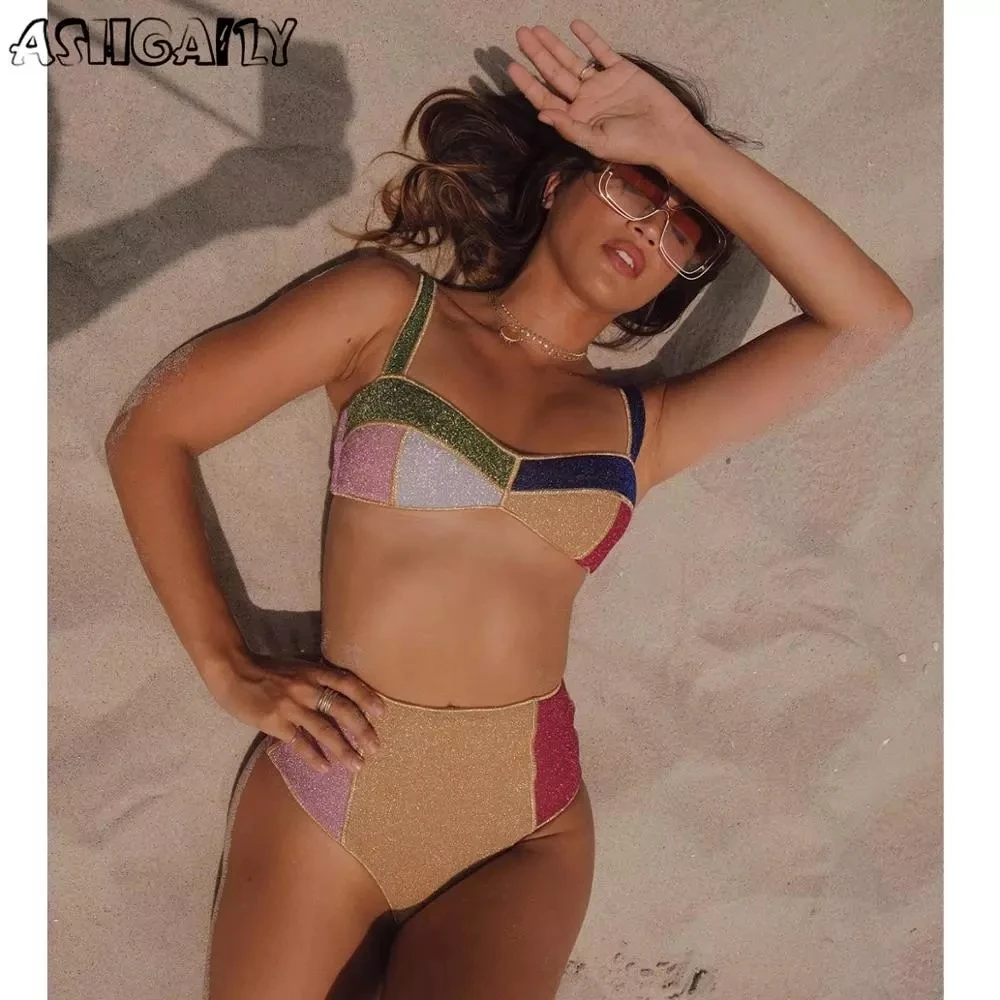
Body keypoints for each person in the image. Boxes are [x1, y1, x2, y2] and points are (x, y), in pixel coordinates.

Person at [105, 19, 913, 1000]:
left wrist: (677, 147)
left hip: (522, 829)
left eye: (684, 231)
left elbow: (869, 318)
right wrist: (226, 665)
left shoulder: (644, 425)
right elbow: (151, 432)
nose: (651, 228)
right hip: (335, 786)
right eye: (632, 187)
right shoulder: (387, 314)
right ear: (558, 181)